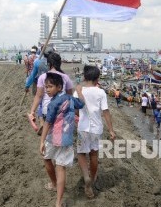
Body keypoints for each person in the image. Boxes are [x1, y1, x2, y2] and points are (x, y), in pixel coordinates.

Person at [39, 72, 85, 207]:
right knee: (61, 169)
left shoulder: (52, 104)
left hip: (52, 138)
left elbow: (47, 123)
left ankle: (54, 184)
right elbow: (81, 104)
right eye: (46, 87)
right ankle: (58, 203)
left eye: (50, 87)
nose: (47, 89)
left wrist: (41, 141)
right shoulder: (70, 99)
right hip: (66, 140)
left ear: (59, 87)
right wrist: (79, 91)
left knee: (47, 159)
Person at [74, 65, 116, 199]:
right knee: (94, 155)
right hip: (96, 129)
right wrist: (111, 130)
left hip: (83, 127)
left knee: (81, 153)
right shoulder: (101, 92)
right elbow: (106, 112)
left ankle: (86, 177)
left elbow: (76, 110)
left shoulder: (78, 91)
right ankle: (92, 180)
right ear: (97, 79)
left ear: (85, 77)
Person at [28, 52, 73, 135]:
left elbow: (39, 96)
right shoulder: (65, 77)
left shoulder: (43, 77)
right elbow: (70, 96)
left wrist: (32, 112)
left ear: (49, 64)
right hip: (61, 111)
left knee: (48, 136)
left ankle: (46, 143)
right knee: (59, 136)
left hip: (47, 111)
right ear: (59, 63)